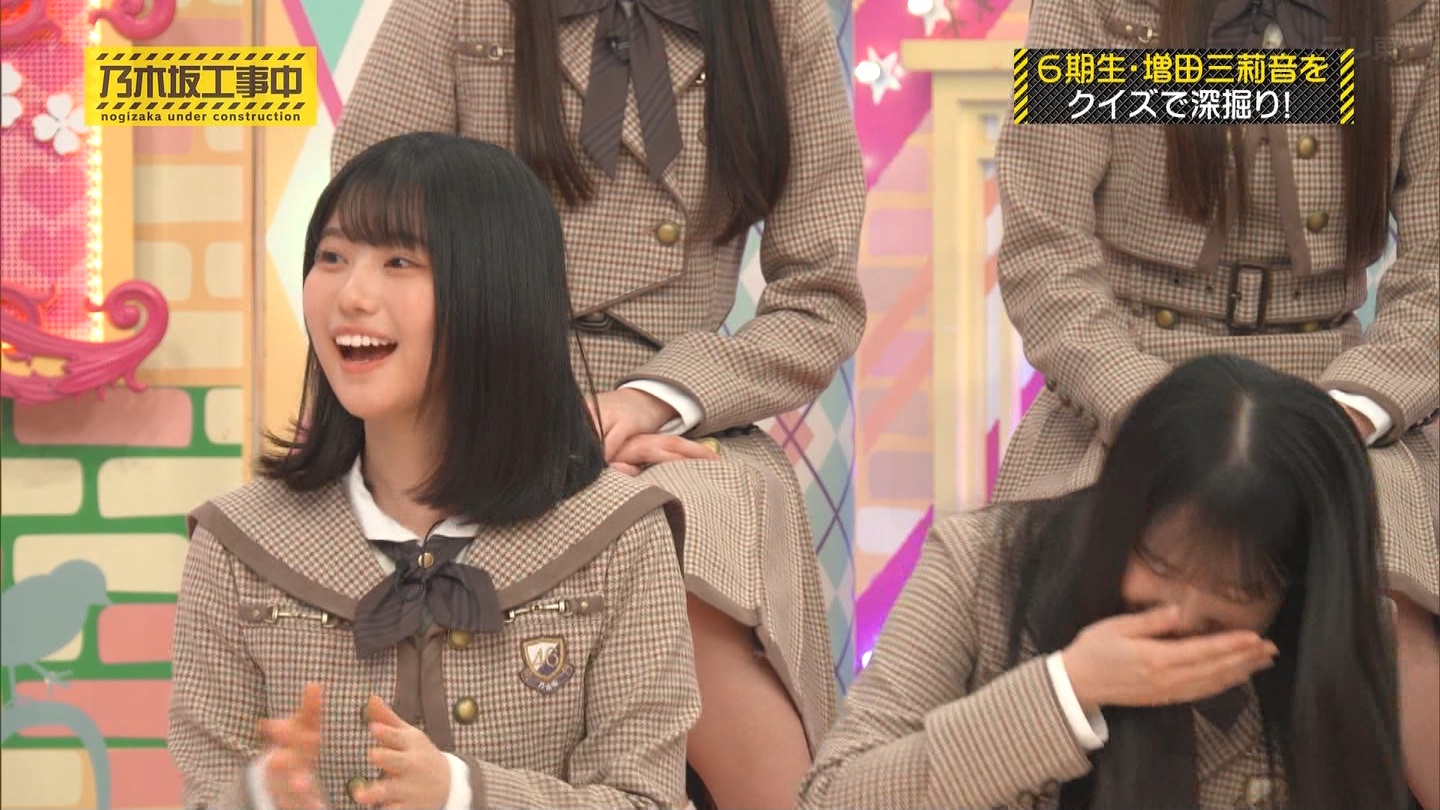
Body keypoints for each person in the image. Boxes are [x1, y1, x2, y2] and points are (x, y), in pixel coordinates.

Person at [331, 1, 867, 806]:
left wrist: (653, 401)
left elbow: (820, 302)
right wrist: (539, 421)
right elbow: (367, 236)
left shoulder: (780, 18)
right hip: (468, 391)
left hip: (680, 410)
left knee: (681, 523)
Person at [990, 1, 1438, 805]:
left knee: (1392, 578)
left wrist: (1354, 409)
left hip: (1335, 390)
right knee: (1035, 589)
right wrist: (1147, 414)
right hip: (1131, 383)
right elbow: (1043, 256)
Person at [167, 133, 699, 809]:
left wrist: (464, 795)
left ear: (496, 293)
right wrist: (261, 801)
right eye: (332, 257)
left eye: (399, 261)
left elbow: (648, 800)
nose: (351, 294)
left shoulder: (618, 536)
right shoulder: (237, 543)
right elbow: (207, 793)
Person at [801, 354, 1409, 810]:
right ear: (1118, 515)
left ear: (1301, 584)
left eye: (1237, 593)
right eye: (1160, 565)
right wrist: (1068, 688)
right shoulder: (978, 564)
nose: (1181, 613)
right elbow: (834, 796)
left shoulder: (1335, 631)